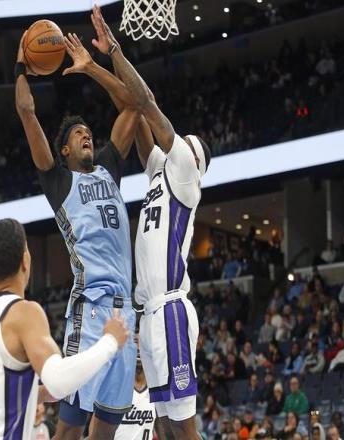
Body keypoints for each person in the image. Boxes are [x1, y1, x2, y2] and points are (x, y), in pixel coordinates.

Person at [89, 5, 212, 438]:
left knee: (184, 427)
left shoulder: (185, 175)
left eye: (183, 142)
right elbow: (133, 110)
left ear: (193, 159)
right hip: (150, 314)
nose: (174, 143)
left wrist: (115, 51)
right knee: (162, 423)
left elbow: (147, 103)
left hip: (171, 308)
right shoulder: (160, 172)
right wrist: (97, 67)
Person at [15, 29, 138, 440]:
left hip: (126, 313)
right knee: (69, 429)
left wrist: (92, 67)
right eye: (77, 133)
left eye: (88, 131)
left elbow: (134, 104)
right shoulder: (59, 181)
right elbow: (27, 113)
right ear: (64, 150)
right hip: (91, 308)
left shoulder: (108, 167)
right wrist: (21, 67)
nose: (86, 134)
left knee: (105, 433)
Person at [0, 219, 129, 439]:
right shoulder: (23, 312)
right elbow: (58, 381)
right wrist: (110, 341)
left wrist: (37, 393)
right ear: (25, 260)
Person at [114, 335, 157, 440]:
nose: (138, 348)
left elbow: (163, 430)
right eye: (135, 342)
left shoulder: (156, 388)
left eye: (142, 343)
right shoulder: (114, 387)